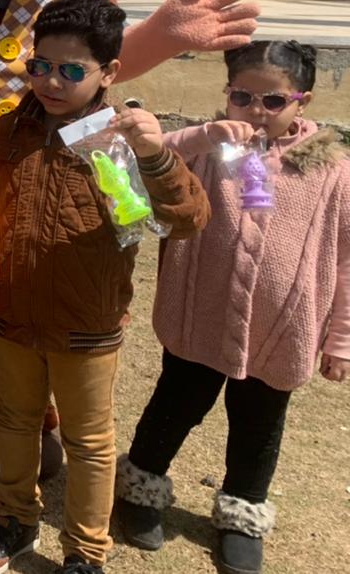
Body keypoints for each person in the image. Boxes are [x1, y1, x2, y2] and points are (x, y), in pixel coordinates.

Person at [0, 0, 210, 574]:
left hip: (87, 325)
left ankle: (85, 552)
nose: (51, 81)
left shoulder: (122, 140)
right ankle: (15, 519)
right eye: (40, 65)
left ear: (109, 72)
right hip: (10, 314)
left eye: (71, 70)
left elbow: (187, 219)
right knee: (13, 421)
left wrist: (156, 158)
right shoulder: (9, 132)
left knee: (89, 442)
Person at [113, 40, 350, 574]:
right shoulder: (208, 146)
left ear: (302, 101)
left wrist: (340, 340)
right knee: (175, 405)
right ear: (227, 93)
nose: (256, 111)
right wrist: (205, 135)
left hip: (278, 331)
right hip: (200, 315)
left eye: (274, 100)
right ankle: (140, 486)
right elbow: (151, 155)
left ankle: (241, 513)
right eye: (242, 97)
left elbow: (345, 257)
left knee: (258, 426)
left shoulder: (334, 171)